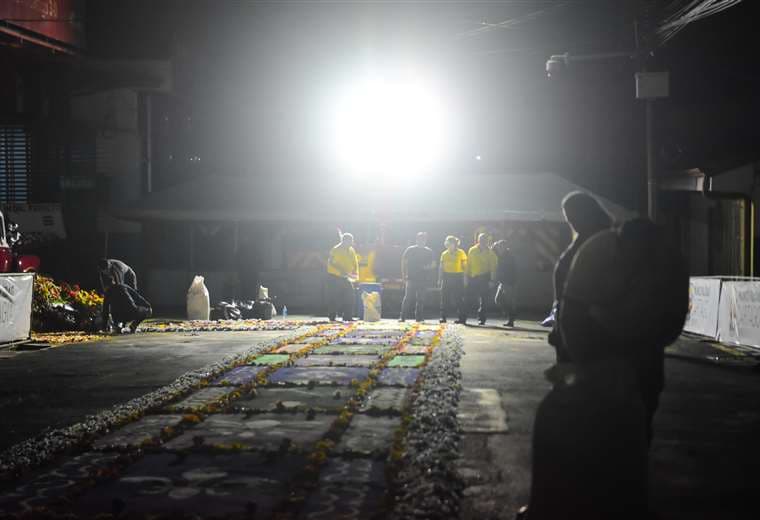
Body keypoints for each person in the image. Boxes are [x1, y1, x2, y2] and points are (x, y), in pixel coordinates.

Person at [523, 219, 688, 520]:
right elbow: (572, 310)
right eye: (628, 253)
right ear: (619, 244)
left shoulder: (669, 261)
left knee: (639, 411)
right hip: (595, 334)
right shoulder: (597, 251)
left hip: (646, 341)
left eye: (641, 255)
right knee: (589, 414)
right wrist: (586, 363)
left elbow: (674, 316)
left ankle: (626, 493)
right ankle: (586, 488)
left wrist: (647, 349)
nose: (633, 260)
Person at [548, 192, 613, 362]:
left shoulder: (601, 242)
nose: (572, 222)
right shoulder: (590, 239)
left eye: (572, 217)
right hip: (574, 322)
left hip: (588, 326)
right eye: (568, 218)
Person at [399, 232, 435, 322]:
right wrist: (403, 275)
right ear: (417, 240)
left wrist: (427, 267)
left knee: (421, 299)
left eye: (423, 239)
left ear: (425, 240)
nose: (421, 241)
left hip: (423, 279)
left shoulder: (428, 251)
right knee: (407, 298)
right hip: (411, 278)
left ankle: (419, 318)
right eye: (420, 239)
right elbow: (403, 262)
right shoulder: (410, 249)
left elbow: (434, 264)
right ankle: (402, 317)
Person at [464, 232, 498, 325]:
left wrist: (492, 280)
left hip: (485, 278)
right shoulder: (472, 250)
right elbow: (468, 265)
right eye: (481, 240)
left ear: (487, 241)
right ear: (478, 240)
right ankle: (463, 318)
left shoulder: (491, 253)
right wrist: (466, 277)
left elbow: (493, 269)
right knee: (468, 298)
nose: (483, 242)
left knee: (484, 300)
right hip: (473, 278)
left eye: (484, 240)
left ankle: (481, 319)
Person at [326, 232, 359, 321]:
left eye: (352, 241)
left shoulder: (351, 250)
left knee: (350, 296)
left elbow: (354, 262)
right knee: (334, 297)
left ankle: (348, 316)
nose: (351, 243)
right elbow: (331, 262)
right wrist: (341, 269)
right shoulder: (336, 249)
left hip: (346, 277)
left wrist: (355, 274)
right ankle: (332, 316)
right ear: (344, 241)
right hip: (335, 277)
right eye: (350, 241)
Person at [438, 235, 467, 324]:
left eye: (450, 243)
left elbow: (465, 267)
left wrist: (465, 278)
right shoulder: (444, 254)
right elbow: (441, 267)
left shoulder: (461, 252)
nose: (448, 245)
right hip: (447, 277)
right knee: (444, 298)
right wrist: (439, 279)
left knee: (458, 298)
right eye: (447, 243)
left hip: (457, 277)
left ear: (455, 244)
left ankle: (462, 318)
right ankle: (443, 317)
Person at [492, 239, 518, 327]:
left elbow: (511, 270)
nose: (499, 248)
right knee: (498, 299)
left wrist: (509, 282)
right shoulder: (501, 254)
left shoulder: (508, 256)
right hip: (502, 282)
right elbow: (493, 248)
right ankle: (510, 315)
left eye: (501, 246)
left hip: (508, 282)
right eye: (499, 246)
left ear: (504, 247)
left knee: (509, 301)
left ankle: (511, 319)